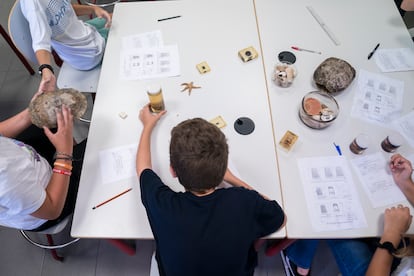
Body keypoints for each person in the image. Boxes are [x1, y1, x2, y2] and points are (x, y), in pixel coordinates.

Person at [136, 104, 286, 276]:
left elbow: (143, 168)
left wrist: (148, 126)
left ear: (172, 171)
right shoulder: (243, 201)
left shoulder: (163, 204)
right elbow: (280, 218)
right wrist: (232, 178)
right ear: (222, 169)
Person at [284, 154, 414, 276]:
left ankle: (299, 261)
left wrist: (392, 234)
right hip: (403, 248)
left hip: (383, 268)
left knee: (331, 217)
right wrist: (406, 183)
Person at [0, 92, 86, 231]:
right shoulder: (6, 180)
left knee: (49, 117)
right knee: (97, 148)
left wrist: (32, 112)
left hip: (28, 162)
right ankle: (76, 157)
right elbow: (52, 209)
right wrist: (65, 153)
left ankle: (73, 153)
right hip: (49, 206)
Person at [20, 0, 112, 93]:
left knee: (114, 17)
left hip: (85, 31)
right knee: (121, 31)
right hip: (87, 52)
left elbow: (66, 8)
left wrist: (93, 9)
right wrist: (46, 69)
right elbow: (40, 42)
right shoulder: (33, 5)